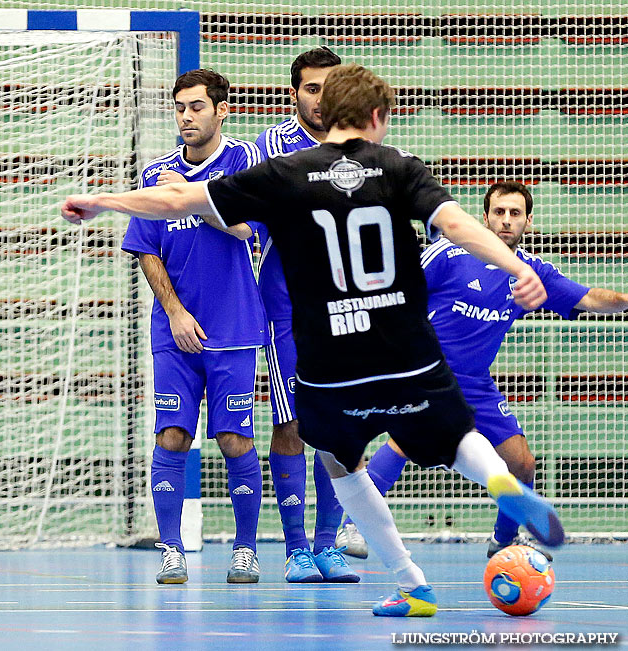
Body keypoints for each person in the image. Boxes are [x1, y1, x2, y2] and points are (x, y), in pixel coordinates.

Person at [61, 63, 565, 617]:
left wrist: (106, 202)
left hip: (330, 346)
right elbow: (461, 226)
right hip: (401, 338)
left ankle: (413, 583)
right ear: (377, 117)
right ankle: (501, 482)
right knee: (450, 429)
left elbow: (180, 201)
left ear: (327, 113)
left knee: (338, 462)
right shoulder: (402, 168)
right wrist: (516, 266)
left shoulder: (287, 172)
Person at [350, 180, 628, 561]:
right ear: (485, 217)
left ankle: (504, 539)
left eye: (515, 214)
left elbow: (591, 299)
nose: (506, 221)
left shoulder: (532, 271)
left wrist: (625, 301)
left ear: (528, 222)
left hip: (476, 383)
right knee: (406, 441)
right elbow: (400, 290)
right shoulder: (449, 254)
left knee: (521, 462)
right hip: (429, 372)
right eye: (499, 212)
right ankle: (356, 524)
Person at [120, 69, 267, 584]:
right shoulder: (154, 174)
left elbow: (249, 229)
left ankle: (246, 550)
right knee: (173, 435)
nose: (186, 116)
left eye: (197, 106)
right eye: (180, 106)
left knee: (235, 439)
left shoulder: (247, 163)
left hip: (234, 329)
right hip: (175, 332)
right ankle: (172, 550)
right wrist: (176, 312)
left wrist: (193, 197)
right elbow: (144, 249)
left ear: (221, 110)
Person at [254, 47, 359, 582]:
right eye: (310, 88)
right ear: (294, 92)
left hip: (345, 307)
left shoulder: (363, 148)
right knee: (292, 422)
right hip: (286, 307)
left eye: (328, 88)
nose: (319, 98)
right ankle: (296, 549)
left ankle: (329, 545)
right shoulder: (272, 145)